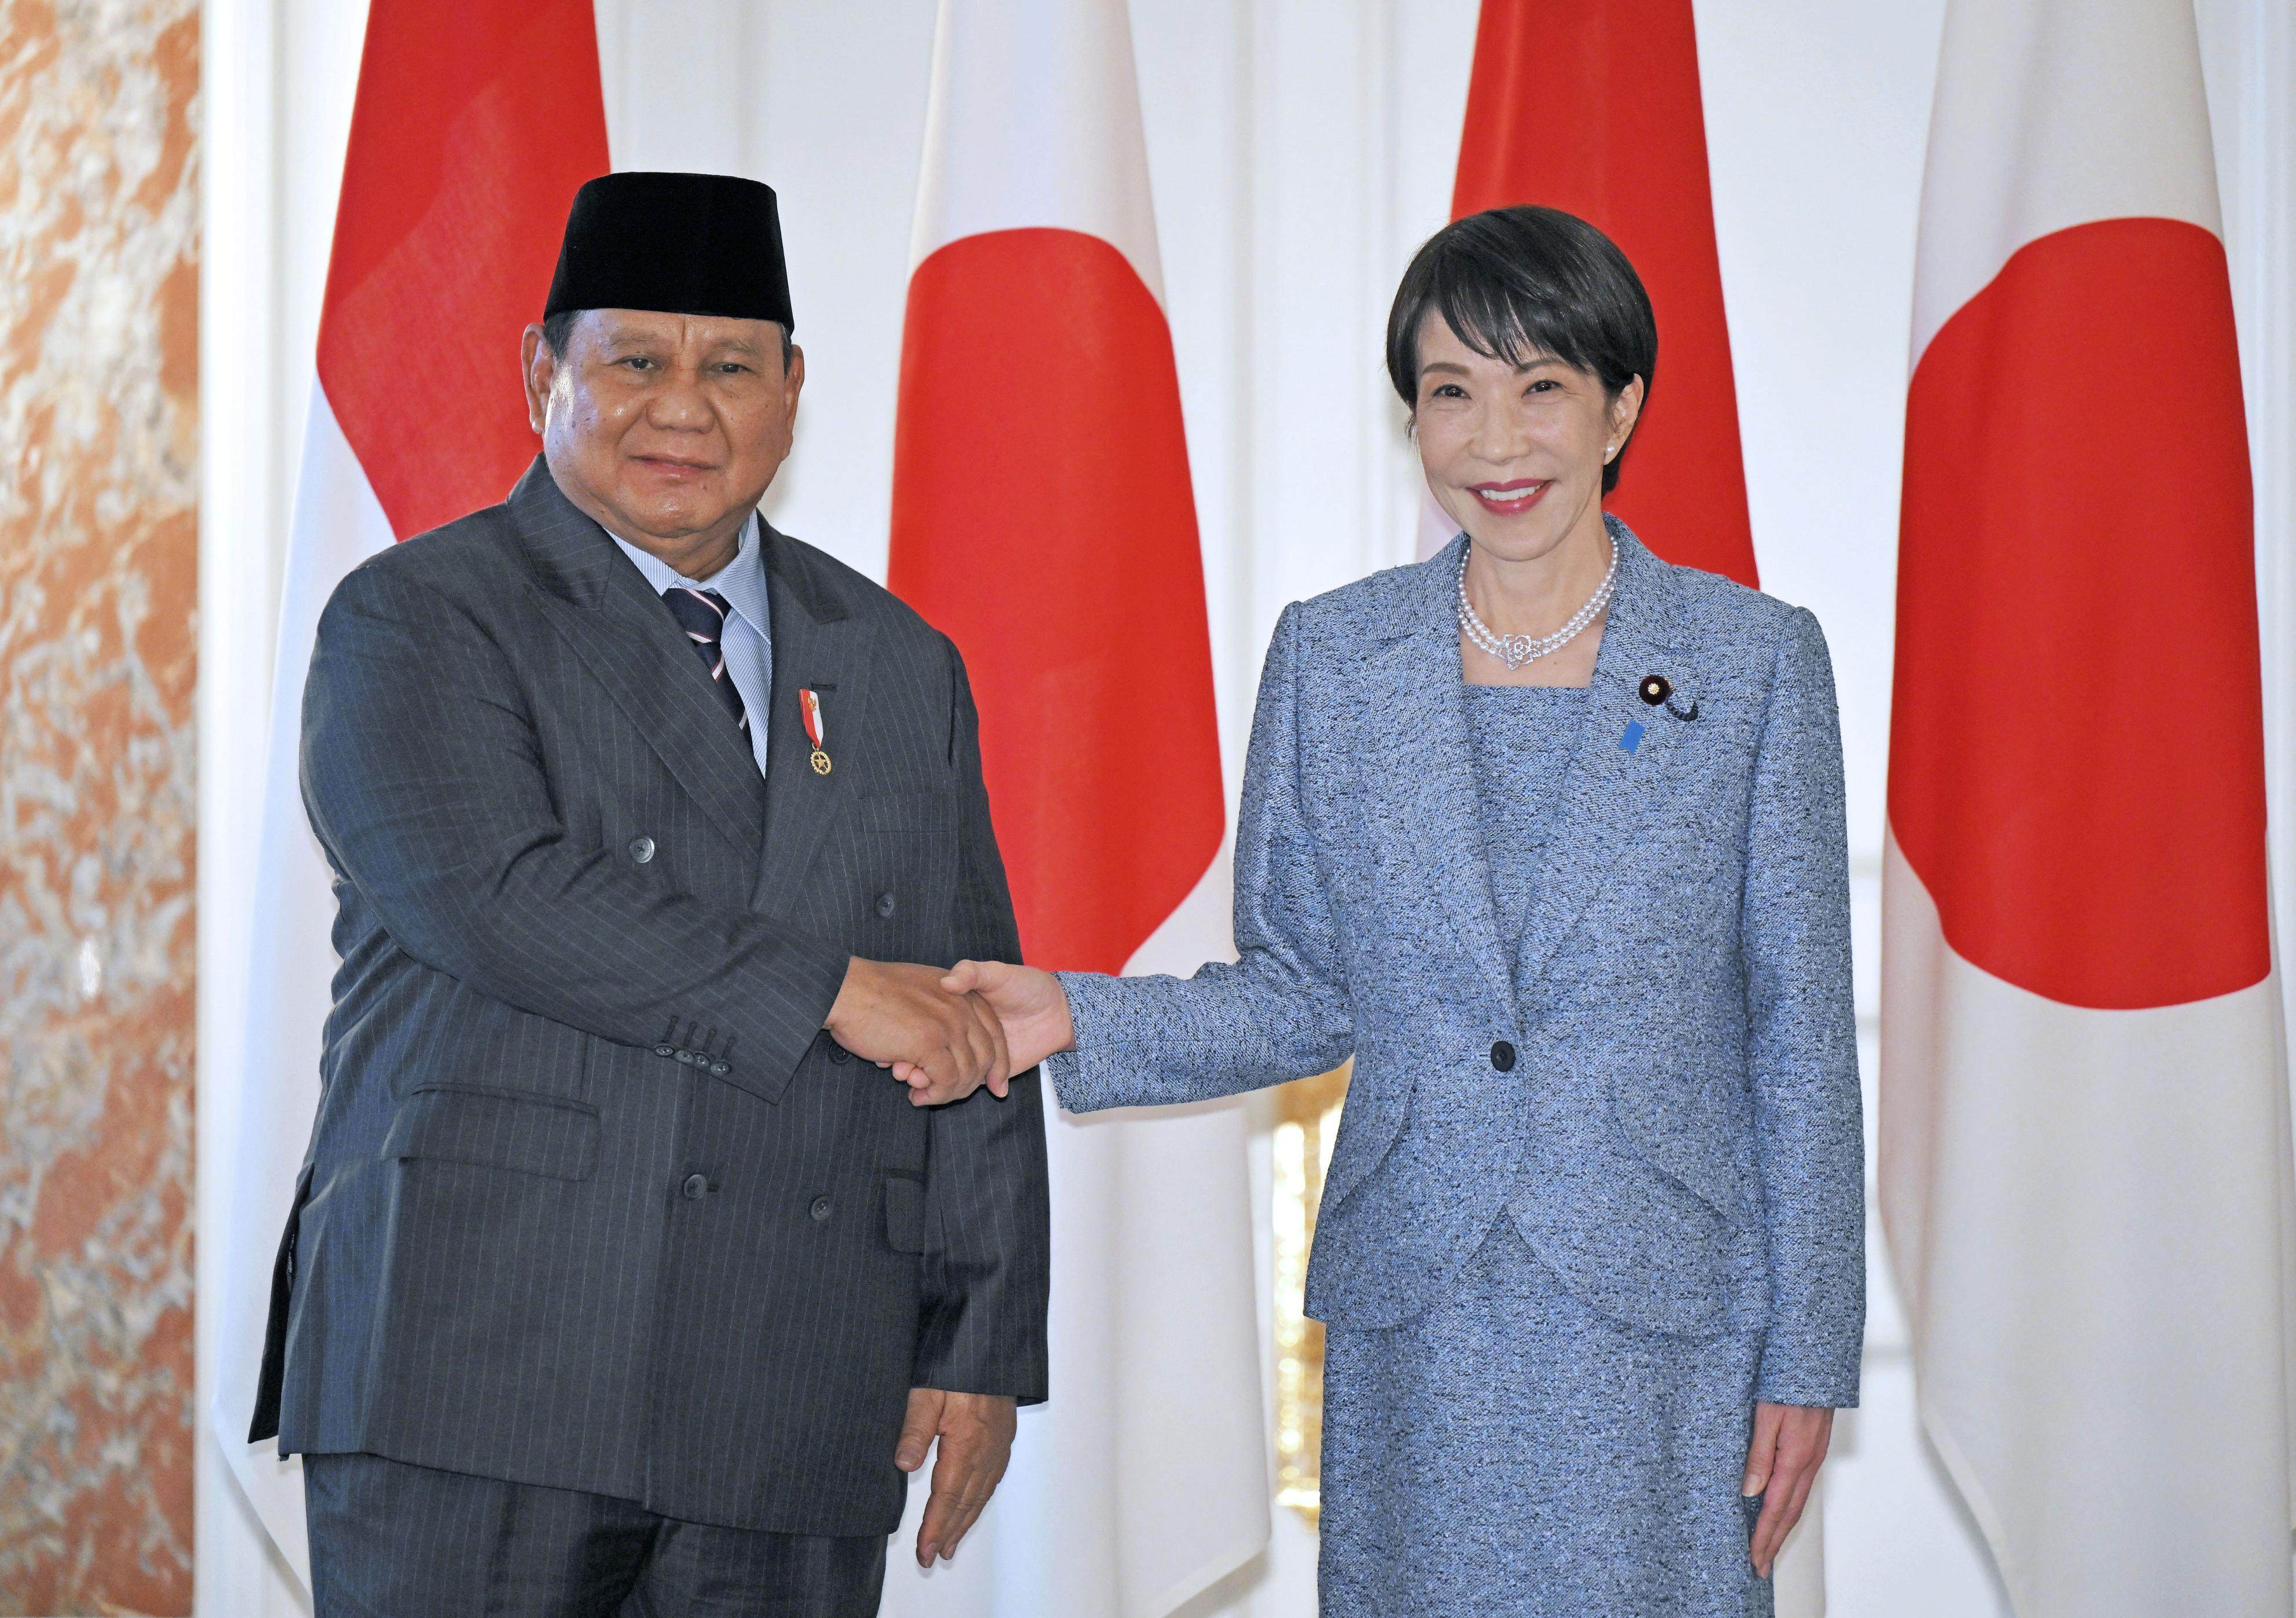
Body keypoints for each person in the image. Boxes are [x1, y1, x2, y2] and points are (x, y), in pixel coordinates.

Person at [933, 205, 1864, 1616]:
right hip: (1419, 1309)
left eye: (1542, 386)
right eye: (1451, 394)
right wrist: (1077, 1008)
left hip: (1667, 1317)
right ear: (1412, 420)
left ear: (1620, 407)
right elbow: (1302, 988)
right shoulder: (1332, 658)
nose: (1496, 442)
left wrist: (1808, 1351)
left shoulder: (1753, 661)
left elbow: (1800, 1035)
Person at [248, 171, 1049, 1617]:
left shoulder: (895, 660)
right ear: (543, 373)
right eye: (636, 361)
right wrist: (827, 991)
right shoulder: (418, 615)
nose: (684, 406)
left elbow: (974, 1004)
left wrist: (981, 1337)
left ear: (793, 394)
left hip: (796, 1378)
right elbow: (501, 895)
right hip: (485, 1368)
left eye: (732, 366)